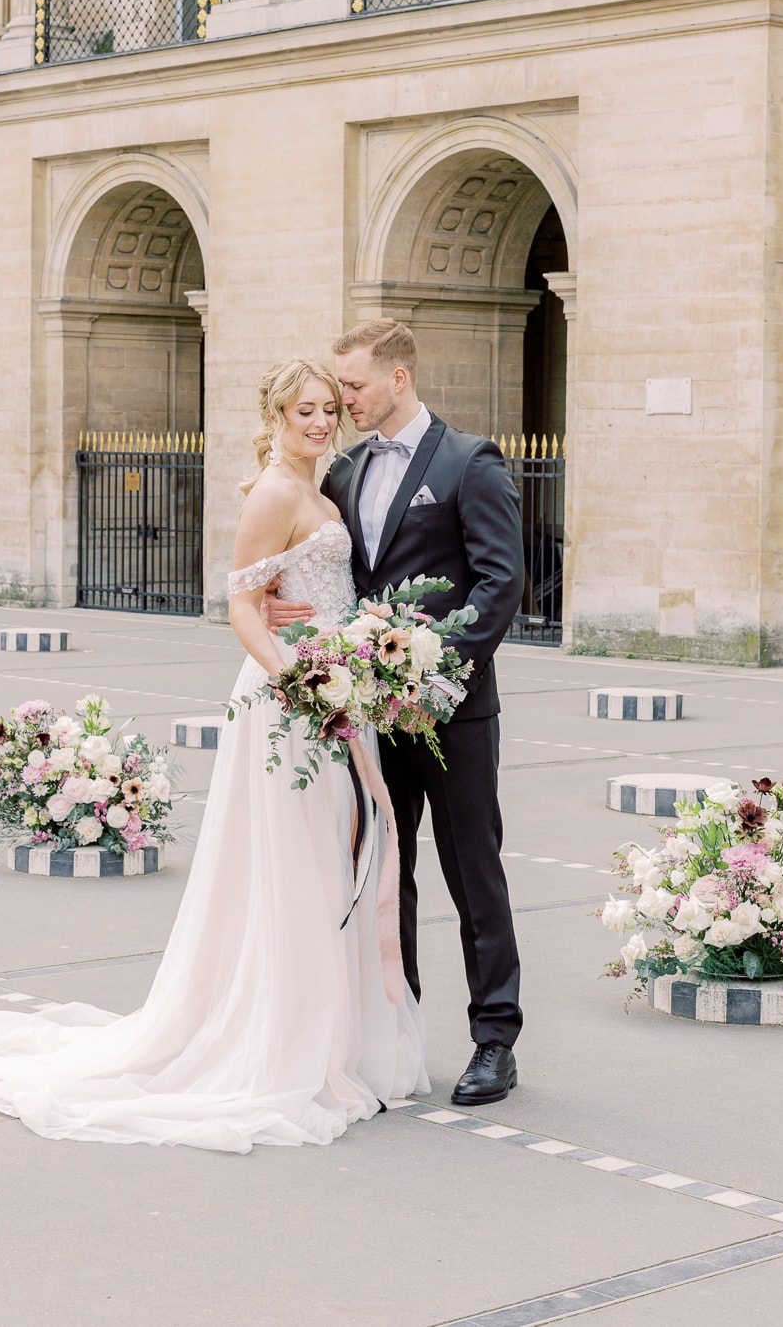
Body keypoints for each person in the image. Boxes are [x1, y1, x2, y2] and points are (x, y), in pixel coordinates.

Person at [0, 358, 427, 1153]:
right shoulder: (277, 491)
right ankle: (281, 1042)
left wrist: (342, 671)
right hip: (293, 702)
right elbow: (240, 606)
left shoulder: (323, 486)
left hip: (336, 693)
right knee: (289, 869)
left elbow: (309, 586)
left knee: (324, 862)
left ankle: (333, 1037)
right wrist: (304, 682)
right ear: (274, 414)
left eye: (326, 410)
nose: (319, 422)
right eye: (304, 410)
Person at [264, 321, 527, 1107]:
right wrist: (286, 613)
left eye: (354, 387)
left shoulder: (468, 461)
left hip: (450, 707)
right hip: (369, 711)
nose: (342, 402)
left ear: (399, 378)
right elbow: (327, 571)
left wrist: (438, 670)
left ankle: (495, 1039)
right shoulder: (340, 472)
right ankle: (395, 1029)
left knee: (472, 869)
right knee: (385, 870)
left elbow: (499, 582)